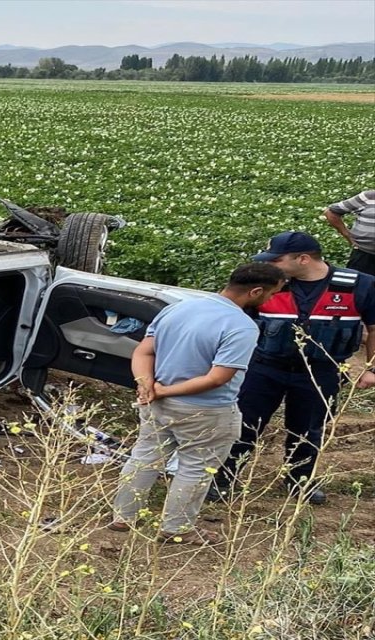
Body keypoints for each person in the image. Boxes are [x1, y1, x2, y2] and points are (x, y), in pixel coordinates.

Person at [109, 263, 285, 545]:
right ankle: (177, 528)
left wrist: (146, 385)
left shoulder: (178, 308)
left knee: (145, 457)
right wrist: (163, 391)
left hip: (156, 404)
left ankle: (123, 516)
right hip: (207, 410)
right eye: (272, 293)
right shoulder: (241, 326)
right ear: (255, 291)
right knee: (196, 467)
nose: (270, 299)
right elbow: (217, 378)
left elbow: (143, 351)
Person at [210, 231, 375, 505]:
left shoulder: (360, 284)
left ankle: (299, 481)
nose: (269, 264)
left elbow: (374, 327)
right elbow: (233, 320)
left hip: (321, 371)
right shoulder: (266, 283)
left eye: (276, 259)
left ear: (303, 259)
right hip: (265, 367)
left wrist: (371, 368)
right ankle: (223, 479)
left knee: (308, 429)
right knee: (245, 423)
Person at [322, 189, 375, 276]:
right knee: (358, 283)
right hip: (363, 256)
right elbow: (331, 212)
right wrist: (347, 235)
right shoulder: (369, 196)